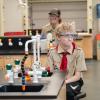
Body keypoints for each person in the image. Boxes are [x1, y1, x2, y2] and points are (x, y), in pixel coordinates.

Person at [45, 23, 87, 100]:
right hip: (57, 80)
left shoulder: (78, 52)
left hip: (73, 81)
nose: (70, 39)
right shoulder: (52, 53)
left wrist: (65, 82)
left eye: (72, 35)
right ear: (58, 37)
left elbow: (77, 76)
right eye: (67, 36)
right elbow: (49, 72)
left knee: (67, 93)